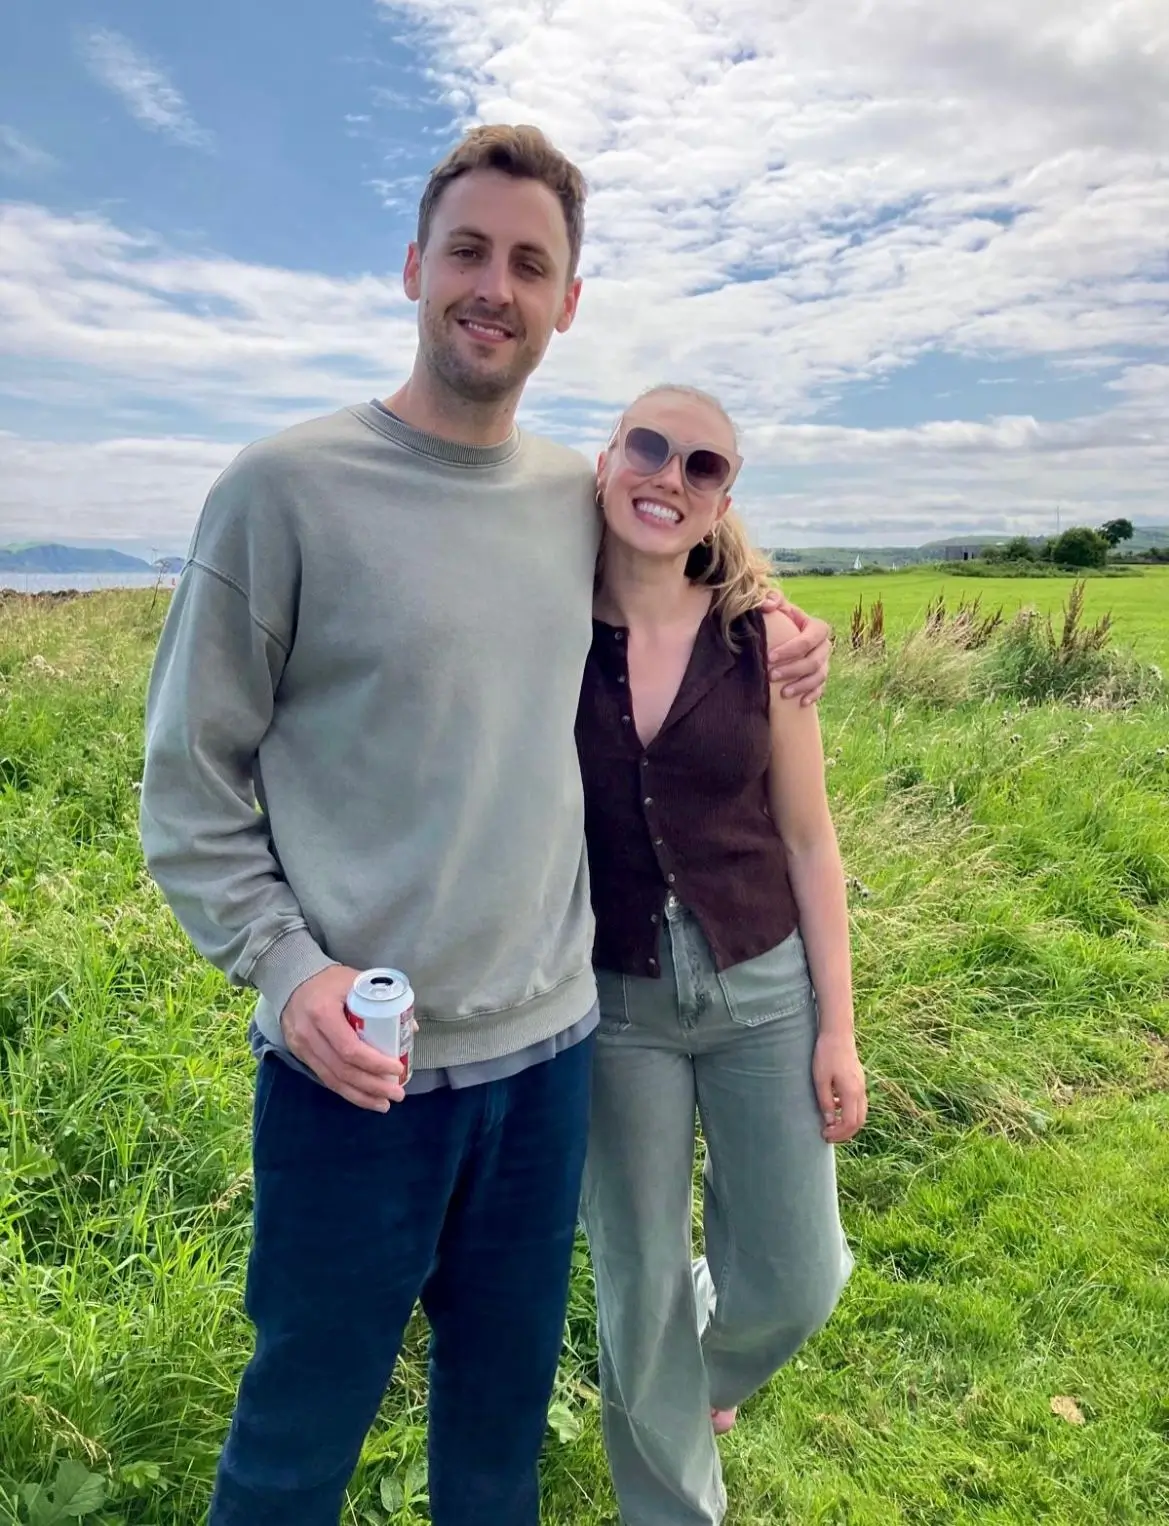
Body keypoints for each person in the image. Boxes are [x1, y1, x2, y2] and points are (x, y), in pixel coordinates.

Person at [138, 125, 833, 1526]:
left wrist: (777, 621)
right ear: (411, 266)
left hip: (552, 1062)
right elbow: (188, 788)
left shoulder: (567, 498)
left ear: (567, 302)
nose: (494, 286)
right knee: (294, 1444)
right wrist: (290, 972)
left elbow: (684, 543)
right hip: (357, 1079)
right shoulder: (280, 491)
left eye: (531, 262)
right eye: (468, 249)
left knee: (497, 1451)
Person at [576, 383, 867, 1526]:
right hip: (615, 1006)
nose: (667, 474)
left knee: (799, 1276)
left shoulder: (766, 644)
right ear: (605, 459)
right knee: (637, 1286)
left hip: (762, 988)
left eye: (701, 464)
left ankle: (699, 1374)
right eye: (646, 445)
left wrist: (837, 1025)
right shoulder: (545, 620)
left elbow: (808, 834)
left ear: (720, 498)